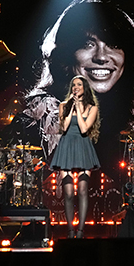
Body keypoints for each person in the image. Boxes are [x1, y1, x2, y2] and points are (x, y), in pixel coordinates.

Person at [25, 0, 134, 179]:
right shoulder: (44, 111)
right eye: (88, 44)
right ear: (65, 55)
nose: (101, 57)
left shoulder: (127, 119)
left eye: (114, 45)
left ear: (129, 58)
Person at [49, 75, 101, 238]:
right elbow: (64, 128)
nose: (75, 87)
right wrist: (72, 106)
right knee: (69, 193)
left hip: (83, 147)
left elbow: (84, 129)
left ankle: (80, 231)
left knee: (83, 191)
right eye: (73, 85)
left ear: (85, 88)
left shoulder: (92, 108)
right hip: (67, 148)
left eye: (79, 85)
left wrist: (79, 107)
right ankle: (70, 230)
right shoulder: (64, 105)